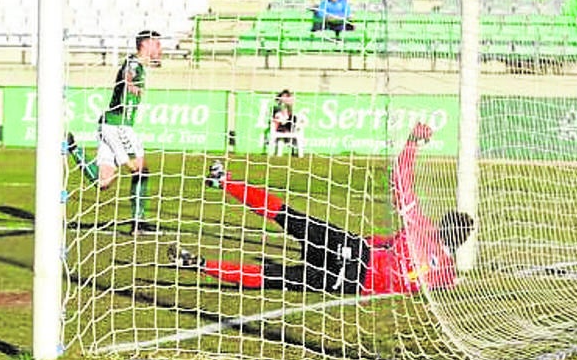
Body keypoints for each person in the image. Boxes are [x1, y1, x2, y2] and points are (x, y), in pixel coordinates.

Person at [171, 122, 473, 295]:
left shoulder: (421, 227)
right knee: (275, 276)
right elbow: (438, 277)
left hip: (355, 252)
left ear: (442, 223)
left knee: (287, 216)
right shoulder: (446, 274)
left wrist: (412, 142)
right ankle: (197, 263)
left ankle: (224, 181)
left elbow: (400, 179)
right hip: (353, 282)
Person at [66, 29, 162, 234]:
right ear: (145, 44)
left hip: (110, 124)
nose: (159, 49)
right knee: (141, 170)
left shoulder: (136, 63)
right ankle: (138, 222)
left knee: (104, 182)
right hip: (118, 126)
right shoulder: (134, 64)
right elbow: (128, 73)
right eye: (157, 44)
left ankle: (74, 149)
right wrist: (129, 83)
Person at [266, 89, 303, 157]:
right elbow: (274, 118)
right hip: (279, 126)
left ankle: (289, 129)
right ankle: (283, 129)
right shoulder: (277, 109)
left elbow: (291, 110)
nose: (285, 99)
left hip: (289, 126)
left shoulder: (291, 110)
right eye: (283, 97)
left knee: (294, 119)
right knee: (279, 119)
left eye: (286, 97)